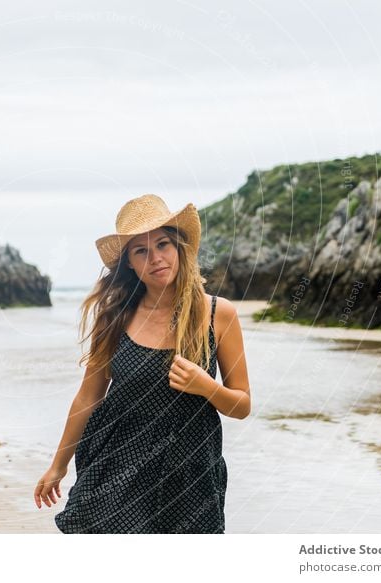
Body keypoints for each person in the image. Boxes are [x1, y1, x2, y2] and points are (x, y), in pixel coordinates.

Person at [33, 193, 251, 533]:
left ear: (179, 248)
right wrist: (58, 465)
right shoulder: (115, 319)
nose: (156, 258)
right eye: (141, 251)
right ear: (129, 264)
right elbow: (88, 397)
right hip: (118, 466)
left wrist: (205, 386)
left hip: (190, 472)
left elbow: (242, 405)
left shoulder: (217, 315)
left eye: (163, 244)